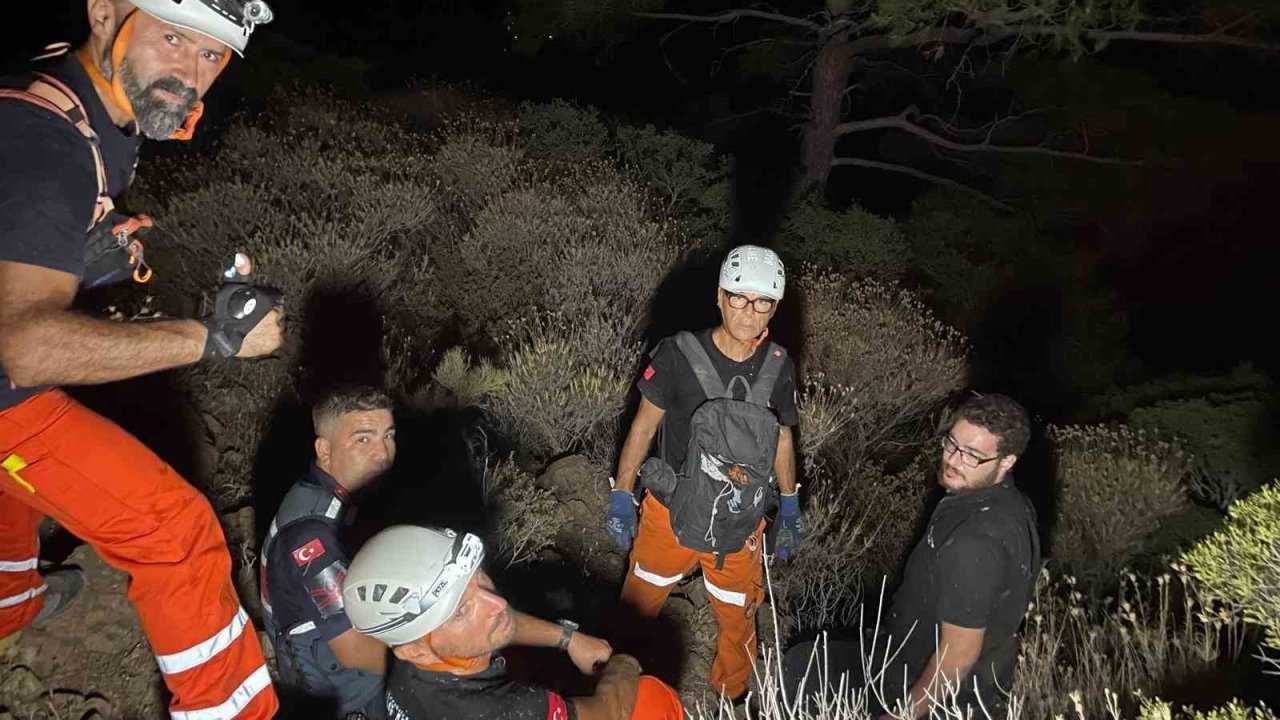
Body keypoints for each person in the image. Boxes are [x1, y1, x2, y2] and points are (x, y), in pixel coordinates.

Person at [0, 1, 283, 717]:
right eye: (172, 38)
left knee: (15, 486)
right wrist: (213, 338)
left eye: (213, 56)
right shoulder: (49, 140)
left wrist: (75, 260)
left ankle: (10, 608)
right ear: (104, 12)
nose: (188, 74)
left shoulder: (78, 97)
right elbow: (25, 347)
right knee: (175, 533)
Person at [605, 245, 803, 701]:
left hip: (740, 520)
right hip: (670, 513)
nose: (749, 312)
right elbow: (643, 427)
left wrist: (790, 504)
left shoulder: (779, 366)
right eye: (739, 297)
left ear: (774, 306)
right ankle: (617, 693)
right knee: (638, 606)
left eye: (762, 302)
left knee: (739, 616)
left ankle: (731, 697)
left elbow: (784, 439)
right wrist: (622, 493)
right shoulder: (677, 354)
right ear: (720, 296)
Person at [784, 393, 1040, 718]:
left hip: (932, 688)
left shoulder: (975, 542)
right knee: (808, 660)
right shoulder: (1000, 500)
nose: (953, 459)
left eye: (972, 456)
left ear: (1007, 461)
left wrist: (902, 714)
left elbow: (958, 654)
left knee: (803, 671)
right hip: (915, 657)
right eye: (951, 444)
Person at [342, 525, 685, 720]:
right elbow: (611, 711)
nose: (497, 602)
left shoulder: (416, 659)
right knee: (650, 699)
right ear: (414, 651)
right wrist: (625, 663)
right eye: (460, 611)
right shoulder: (506, 709)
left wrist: (567, 639)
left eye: (480, 579)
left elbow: (499, 621)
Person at [260, 386, 397, 718]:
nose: (383, 453)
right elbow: (357, 652)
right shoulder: (311, 539)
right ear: (324, 449)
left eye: (388, 436)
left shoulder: (328, 495)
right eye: (363, 440)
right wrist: (446, 652)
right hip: (348, 700)